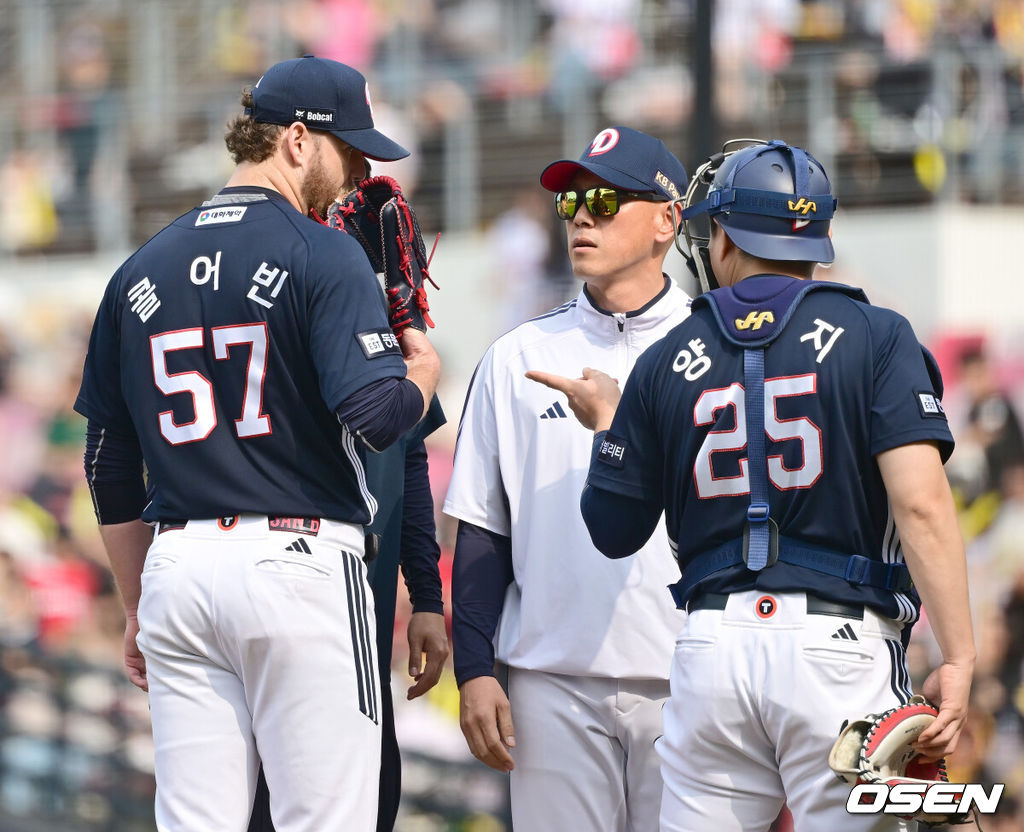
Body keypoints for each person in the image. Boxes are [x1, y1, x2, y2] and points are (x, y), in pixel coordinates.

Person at [530, 139, 975, 831]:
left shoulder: (666, 355)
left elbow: (612, 532)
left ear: (725, 236)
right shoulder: (877, 333)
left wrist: (613, 429)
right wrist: (962, 655)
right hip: (839, 651)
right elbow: (920, 503)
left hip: (713, 650)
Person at [73, 55, 441, 831]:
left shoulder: (141, 267)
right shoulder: (323, 252)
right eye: (353, 152)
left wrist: (138, 604)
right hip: (296, 564)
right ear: (299, 141)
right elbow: (377, 418)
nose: (358, 175)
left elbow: (107, 462)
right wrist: (424, 378)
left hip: (178, 568)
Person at [444, 126, 691, 831]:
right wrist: (475, 669)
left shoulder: (712, 348)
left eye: (607, 199)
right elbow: (484, 528)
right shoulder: (517, 354)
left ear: (666, 219)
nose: (583, 215)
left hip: (689, 674)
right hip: (550, 684)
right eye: (573, 202)